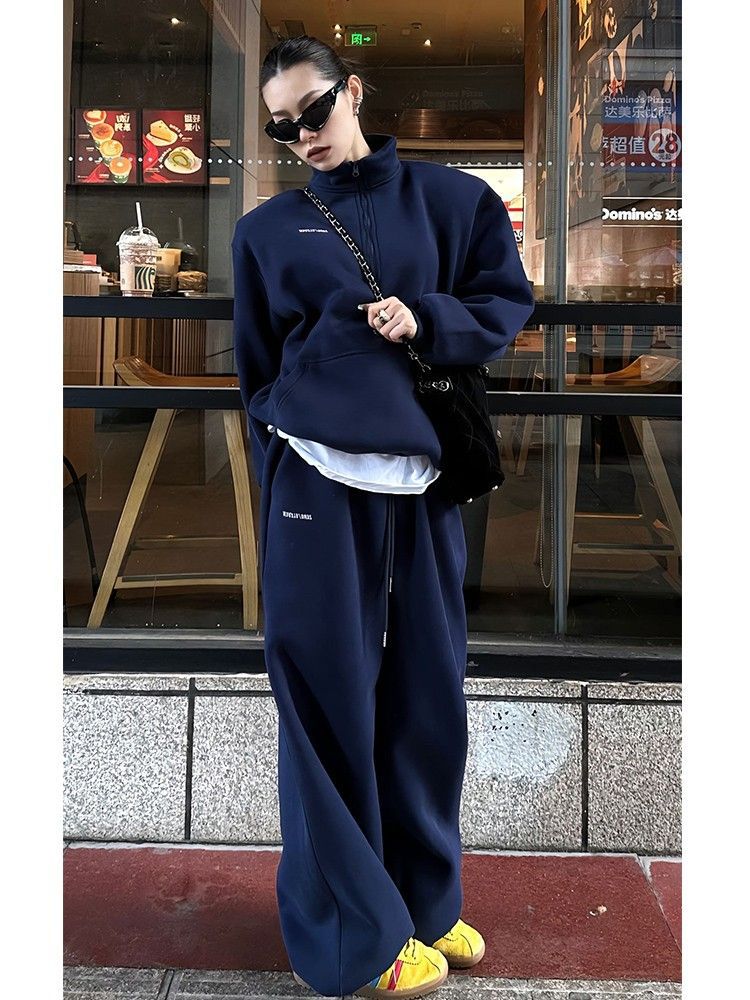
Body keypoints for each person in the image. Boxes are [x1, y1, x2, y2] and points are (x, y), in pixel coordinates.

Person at [231, 35, 535, 1000]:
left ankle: (424, 905)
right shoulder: (267, 232)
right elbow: (257, 375)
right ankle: (353, 941)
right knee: (325, 700)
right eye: (282, 127)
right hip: (316, 486)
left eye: (314, 111)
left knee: (428, 694)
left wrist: (429, 318)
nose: (303, 136)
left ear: (354, 90)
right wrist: (280, 478)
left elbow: (506, 300)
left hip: (423, 478)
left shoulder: (455, 201)